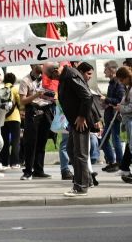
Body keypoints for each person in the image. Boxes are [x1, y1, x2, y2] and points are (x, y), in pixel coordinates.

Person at [47, 62, 96, 197]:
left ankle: (81, 186)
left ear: (56, 71)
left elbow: (87, 96)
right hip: (74, 121)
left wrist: (81, 116)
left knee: (80, 153)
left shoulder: (70, 76)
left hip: (81, 121)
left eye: (51, 77)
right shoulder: (66, 76)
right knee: (70, 149)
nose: (52, 80)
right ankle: (87, 180)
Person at [18, 64, 55, 180]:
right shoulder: (25, 80)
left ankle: (39, 170)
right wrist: (36, 95)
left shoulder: (48, 78)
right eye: (40, 64)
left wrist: (52, 97)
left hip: (46, 110)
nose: (43, 66)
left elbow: (54, 93)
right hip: (33, 110)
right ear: (32, 65)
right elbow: (23, 101)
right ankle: (28, 171)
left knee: (42, 141)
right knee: (30, 142)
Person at [102, 60, 126, 172]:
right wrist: (105, 102)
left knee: (115, 139)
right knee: (104, 139)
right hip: (109, 115)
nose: (104, 72)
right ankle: (112, 161)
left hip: (114, 116)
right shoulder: (112, 83)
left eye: (106, 69)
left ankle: (119, 162)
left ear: (112, 70)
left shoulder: (118, 83)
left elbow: (119, 101)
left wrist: (106, 99)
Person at [0, 73, 22, 169]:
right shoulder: (15, 89)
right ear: (14, 80)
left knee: (4, 141)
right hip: (15, 118)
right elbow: (20, 103)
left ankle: (4, 162)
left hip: (3, 118)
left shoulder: (0, 90)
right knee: (15, 141)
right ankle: (14, 162)